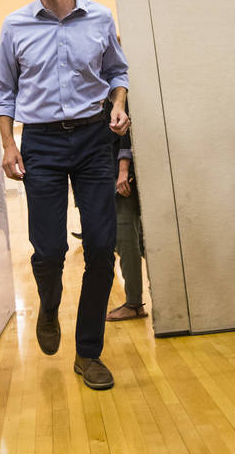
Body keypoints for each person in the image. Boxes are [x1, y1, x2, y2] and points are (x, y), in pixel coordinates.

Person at [0, 0, 129, 391]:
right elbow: (3, 91)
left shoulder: (99, 17)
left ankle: (88, 353)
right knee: (48, 249)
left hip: (94, 139)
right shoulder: (15, 25)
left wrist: (118, 104)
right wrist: (9, 144)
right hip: (42, 144)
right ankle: (49, 307)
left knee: (99, 246)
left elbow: (117, 72)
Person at [106, 116, 147, 321]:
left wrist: (123, 170)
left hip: (121, 178)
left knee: (126, 241)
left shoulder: (116, 97)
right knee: (137, 240)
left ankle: (134, 304)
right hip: (115, 175)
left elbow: (126, 136)